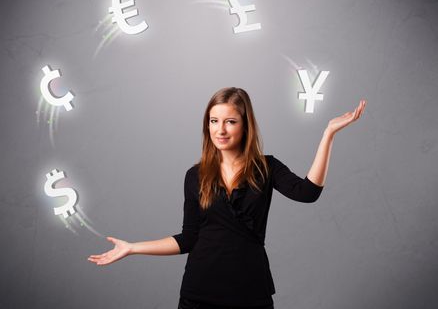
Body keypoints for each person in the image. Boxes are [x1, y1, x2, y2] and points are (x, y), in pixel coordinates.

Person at [88, 87, 367, 308]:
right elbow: (188, 238)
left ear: (245, 126)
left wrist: (328, 134)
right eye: (214, 121)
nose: (220, 130)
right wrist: (133, 247)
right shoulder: (194, 175)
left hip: (249, 293)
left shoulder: (266, 167)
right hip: (199, 295)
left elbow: (308, 193)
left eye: (230, 121)